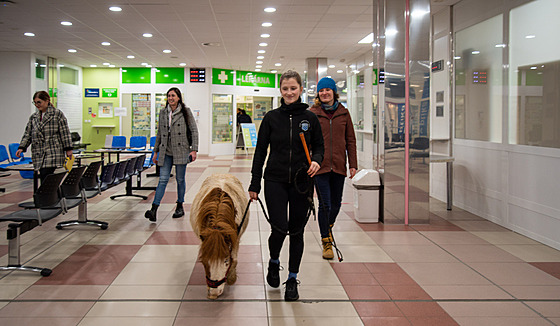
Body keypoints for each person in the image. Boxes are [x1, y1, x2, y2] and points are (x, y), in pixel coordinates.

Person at [249, 70, 324, 301]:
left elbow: (320, 147)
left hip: (302, 182)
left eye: (293, 88)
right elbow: (260, 151)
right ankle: (274, 262)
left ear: (301, 89)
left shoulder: (310, 118)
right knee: (279, 228)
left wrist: (317, 161)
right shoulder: (271, 118)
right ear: (280, 91)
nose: (289, 92)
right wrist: (254, 182)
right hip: (275, 180)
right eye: (285, 88)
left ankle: (292, 279)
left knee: (297, 232)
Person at [309, 77, 357, 260]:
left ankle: (327, 226)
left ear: (333, 92)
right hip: (319, 166)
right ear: (318, 94)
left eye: (328, 90)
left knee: (336, 204)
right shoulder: (312, 113)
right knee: (325, 204)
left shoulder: (344, 113)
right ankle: (326, 241)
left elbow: (350, 140)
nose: (324, 93)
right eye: (321, 90)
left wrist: (353, 164)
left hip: (338, 165)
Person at [145, 87, 198, 222]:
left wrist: (194, 149)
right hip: (166, 151)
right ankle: (154, 209)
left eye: (173, 96)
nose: (170, 98)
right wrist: (155, 152)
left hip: (181, 150)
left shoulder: (185, 112)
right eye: (168, 96)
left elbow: (194, 130)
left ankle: (180, 205)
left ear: (178, 97)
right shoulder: (163, 112)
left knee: (180, 179)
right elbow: (159, 133)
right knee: (163, 179)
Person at [16, 91, 73, 184]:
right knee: (45, 177)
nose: (37, 105)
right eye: (35, 102)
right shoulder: (33, 117)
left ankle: (47, 197)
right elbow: (28, 134)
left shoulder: (57, 114)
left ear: (47, 101)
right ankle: (52, 196)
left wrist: (68, 149)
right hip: (38, 152)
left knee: (46, 176)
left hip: (53, 151)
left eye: (39, 102)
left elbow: (65, 133)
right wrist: (22, 147)